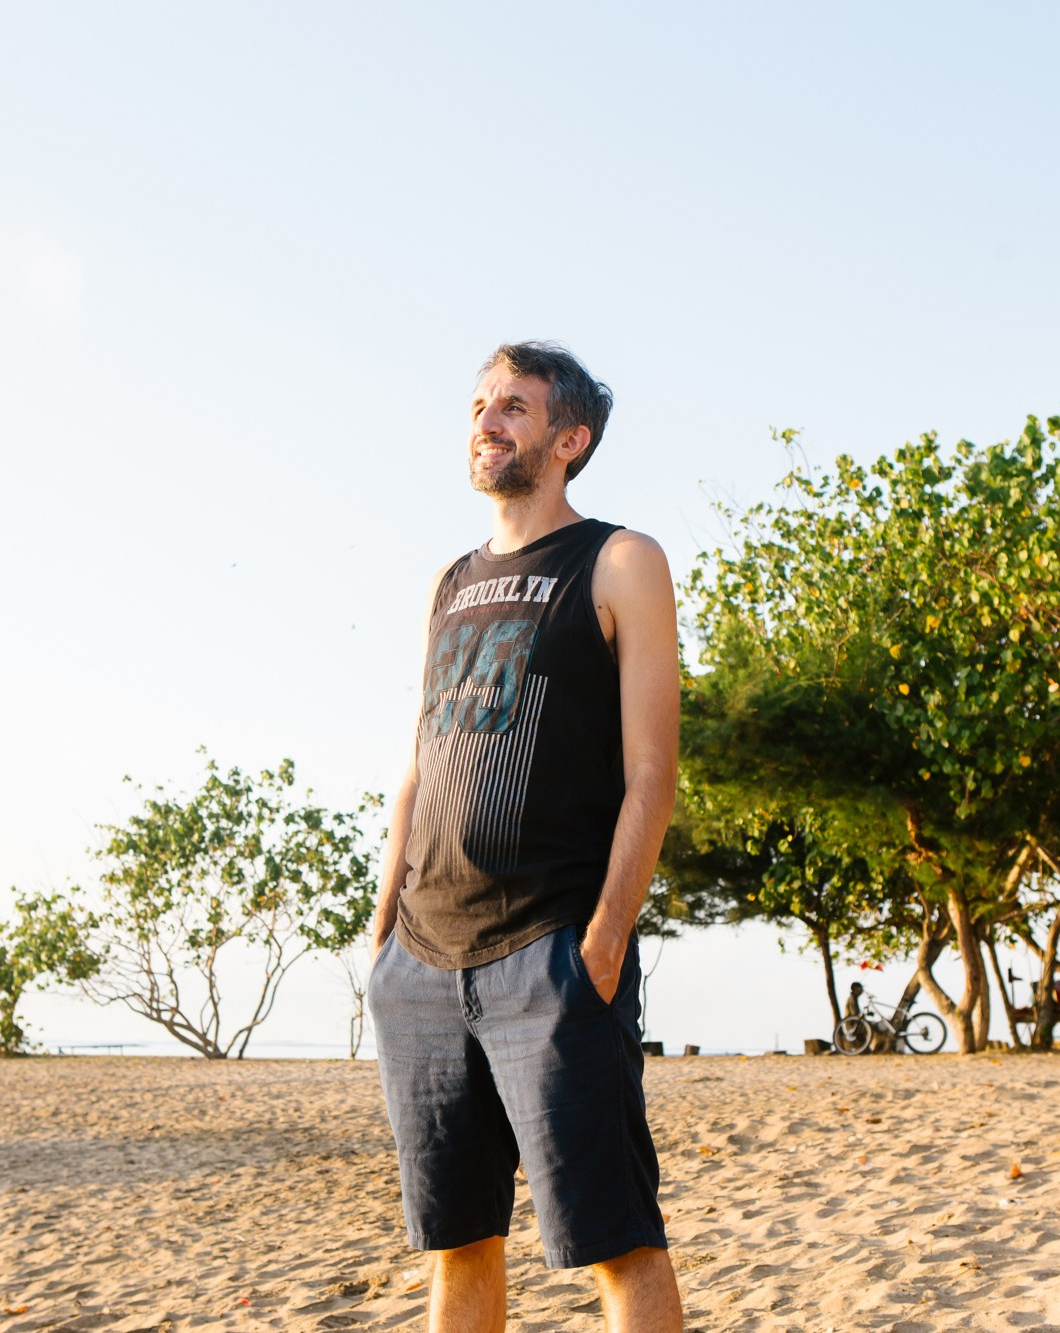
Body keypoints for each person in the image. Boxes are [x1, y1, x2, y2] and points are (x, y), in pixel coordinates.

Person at [366, 341, 683, 1332]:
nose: (485, 421)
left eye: (511, 406)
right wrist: (380, 938)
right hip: (421, 959)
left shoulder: (619, 560)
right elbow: (419, 763)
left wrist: (601, 942)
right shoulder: (449, 581)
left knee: (613, 1242)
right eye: (477, 405)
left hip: (548, 951)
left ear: (567, 439)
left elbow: (651, 772)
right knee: (459, 1240)